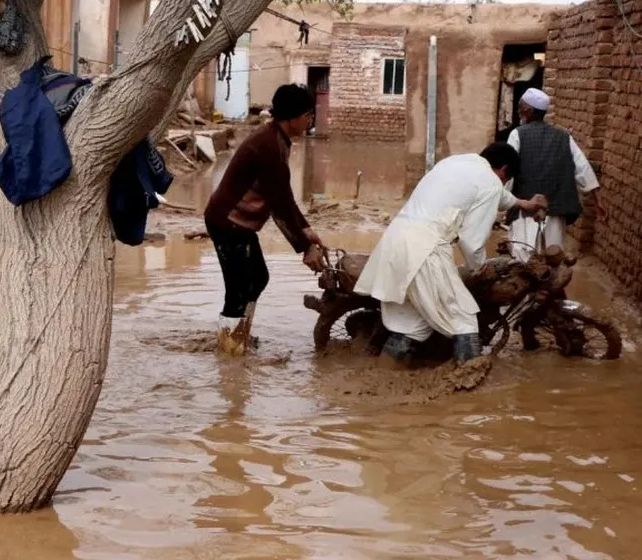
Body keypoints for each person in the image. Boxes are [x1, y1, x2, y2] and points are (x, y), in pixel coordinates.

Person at [354, 143, 547, 365]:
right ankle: (468, 387)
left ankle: (379, 379)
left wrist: (524, 204)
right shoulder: (491, 183)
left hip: (395, 243)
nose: (502, 185)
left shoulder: (455, 163)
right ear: (504, 170)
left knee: (412, 326)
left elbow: (495, 194)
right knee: (464, 320)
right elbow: (472, 242)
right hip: (425, 251)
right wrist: (483, 271)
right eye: (505, 179)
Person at [204, 84, 328, 356]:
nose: (311, 120)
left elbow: (283, 196)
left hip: (240, 224)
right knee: (238, 290)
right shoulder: (269, 147)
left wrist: (308, 232)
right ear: (294, 116)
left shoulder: (277, 139)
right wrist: (304, 248)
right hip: (227, 222)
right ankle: (229, 352)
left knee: (258, 278)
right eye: (309, 114)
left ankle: (240, 336)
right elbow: (280, 205)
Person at [505, 88, 606, 262]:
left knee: (523, 261)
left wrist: (503, 200)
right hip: (556, 211)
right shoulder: (563, 136)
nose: (518, 110)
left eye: (521, 106)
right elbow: (582, 168)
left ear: (528, 110)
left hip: (526, 210)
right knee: (553, 259)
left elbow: (509, 172)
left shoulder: (517, 134)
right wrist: (598, 200)